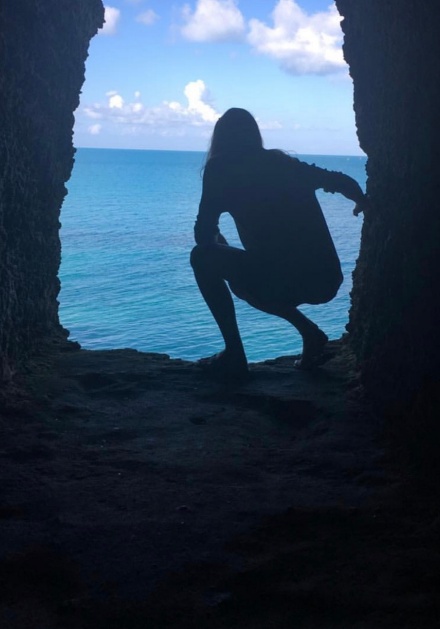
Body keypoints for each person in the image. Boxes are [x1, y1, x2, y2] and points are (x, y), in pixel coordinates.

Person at [190, 108, 367, 380]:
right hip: (325, 280)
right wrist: (362, 202)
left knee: (202, 259)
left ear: (220, 139)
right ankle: (311, 334)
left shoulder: (221, 170)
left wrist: (218, 244)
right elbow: (341, 181)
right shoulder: (283, 164)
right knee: (246, 277)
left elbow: (204, 237)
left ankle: (235, 354)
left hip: (279, 279)